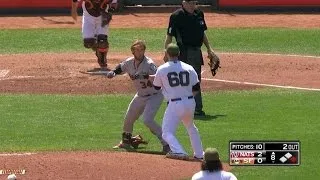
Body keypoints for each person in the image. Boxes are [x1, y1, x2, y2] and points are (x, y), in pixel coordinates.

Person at [106, 40, 170, 153]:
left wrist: (146, 75)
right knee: (129, 117)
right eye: (137, 50)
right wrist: (113, 73)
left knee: (147, 120)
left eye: (142, 50)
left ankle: (166, 144)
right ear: (133, 51)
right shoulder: (129, 62)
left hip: (155, 95)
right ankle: (126, 142)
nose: (140, 52)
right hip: (141, 95)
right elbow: (120, 68)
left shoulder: (149, 64)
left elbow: (159, 77)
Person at [164, 0, 218, 116]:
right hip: (182, 52)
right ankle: (176, 106)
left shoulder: (199, 14)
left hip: (196, 51)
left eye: (193, 3)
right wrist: (166, 52)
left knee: (194, 79)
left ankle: (196, 108)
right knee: (181, 80)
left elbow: (202, 33)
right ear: (183, 3)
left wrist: (209, 48)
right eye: (189, 3)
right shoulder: (176, 16)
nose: (191, 6)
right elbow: (169, 36)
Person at [153, 43, 203, 160]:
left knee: (166, 132)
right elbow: (196, 88)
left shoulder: (162, 69)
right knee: (191, 127)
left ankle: (179, 151)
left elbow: (156, 87)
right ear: (179, 54)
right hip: (190, 102)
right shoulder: (188, 67)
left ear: (167, 54)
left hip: (175, 104)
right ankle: (199, 154)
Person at [72, 0, 118, 72]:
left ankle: (102, 58)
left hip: (102, 17)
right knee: (88, 43)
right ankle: (98, 49)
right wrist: (74, 11)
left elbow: (114, 3)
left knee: (102, 42)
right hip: (88, 18)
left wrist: (110, 10)